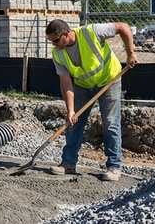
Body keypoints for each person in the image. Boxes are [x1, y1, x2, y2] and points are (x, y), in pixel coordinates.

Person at [44, 19, 137, 182]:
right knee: (74, 123)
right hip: (83, 85)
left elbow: (123, 27)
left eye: (56, 40)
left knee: (110, 123)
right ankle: (68, 163)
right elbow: (66, 83)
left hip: (109, 80)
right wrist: (70, 111)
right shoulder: (58, 54)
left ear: (66, 33)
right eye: (51, 41)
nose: (54, 44)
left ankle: (114, 166)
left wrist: (130, 53)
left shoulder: (91, 32)